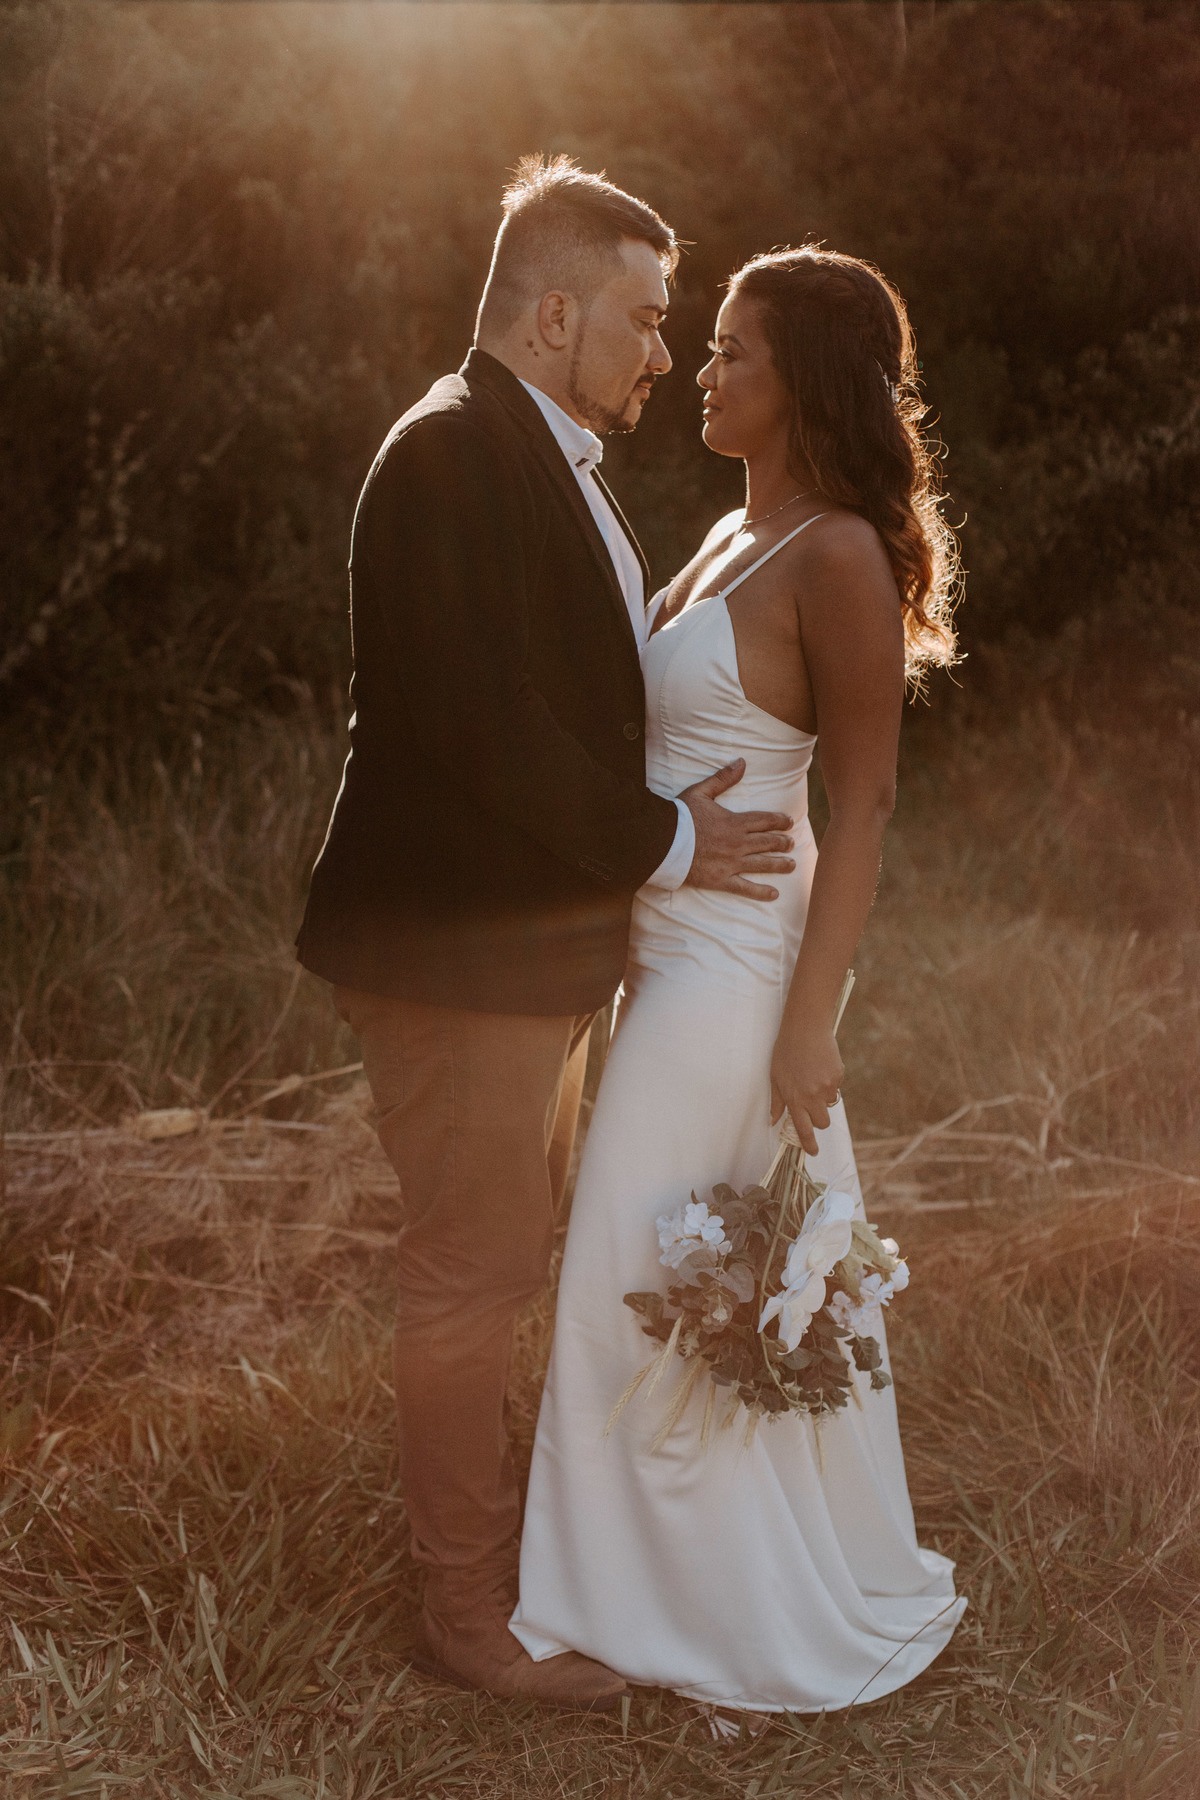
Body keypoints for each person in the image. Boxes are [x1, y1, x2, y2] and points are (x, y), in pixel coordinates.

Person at [294, 158, 796, 1710]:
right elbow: (478, 731)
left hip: (525, 957)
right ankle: (464, 1621)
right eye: (647, 320)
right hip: (457, 961)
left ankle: (521, 1556)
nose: (666, 351)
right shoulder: (448, 454)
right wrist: (671, 840)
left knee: (508, 1262)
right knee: (470, 1271)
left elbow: (561, 705)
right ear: (556, 310)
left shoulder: (541, 451)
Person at [511, 247, 968, 1711]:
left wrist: (809, 1024)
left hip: (731, 982)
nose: (703, 372)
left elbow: (868, 804)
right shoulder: (722, 535)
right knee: (656, 1278)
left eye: (734, 353)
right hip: (654, 959)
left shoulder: (835, 555)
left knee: (641, 1280)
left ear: (807, 382)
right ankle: (647, 1584)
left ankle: (668, 1609)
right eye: (704, 347)